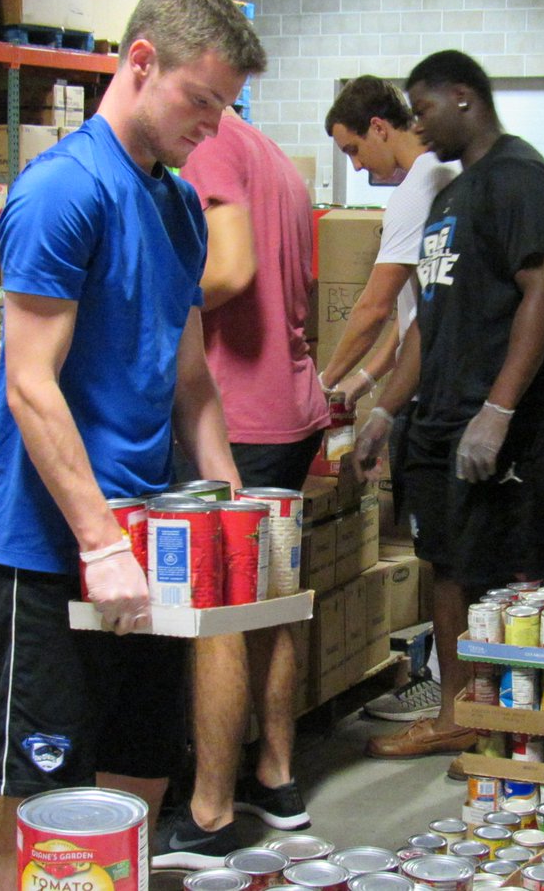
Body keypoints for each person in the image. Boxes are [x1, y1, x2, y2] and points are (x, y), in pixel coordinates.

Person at [0, 0, 265, 887]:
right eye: (200, 103)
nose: (212, 129)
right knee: (43, 822)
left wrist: (235, 512)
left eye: (225, 111)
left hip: (151, 545)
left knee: (140, 783)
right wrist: (100, 541)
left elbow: (189, 382)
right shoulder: (65, 189)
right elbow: (31, 383)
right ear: (141, 61)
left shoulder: (180, 207)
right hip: (57, 553)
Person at [355, 51, 544, 759]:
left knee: (506, 578)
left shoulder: (518, 178)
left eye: (422, 112)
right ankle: (461, 713)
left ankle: (516, 730)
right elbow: (431, 316)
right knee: (447, 566)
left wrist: (501, 410)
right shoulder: (455, 195)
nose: (418, 128)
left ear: (463, 98)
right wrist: (388, 409)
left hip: (509, 423)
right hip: (441, 419)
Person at [152, 108, 327, 867]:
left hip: (237, 415)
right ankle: (276, 777)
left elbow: (227, 270)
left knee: (217, 612)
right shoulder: (275, 155)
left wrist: (144, 314)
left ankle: (210, 813)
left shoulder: (214, 144)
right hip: (290, 408)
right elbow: (305, 291)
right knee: (270, 600)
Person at [321, 76, 459, 724]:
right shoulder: (436, 179)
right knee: (444, 544)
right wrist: (357, 385)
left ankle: (442, 683)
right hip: (425, 377)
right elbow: (410, 321)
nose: (355, 166)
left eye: (353, 150)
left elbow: (377, 305)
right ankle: (446, 673)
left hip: (435, 397)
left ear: (381, 126)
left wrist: (320, 384)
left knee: (442, 548)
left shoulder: (416, 190)